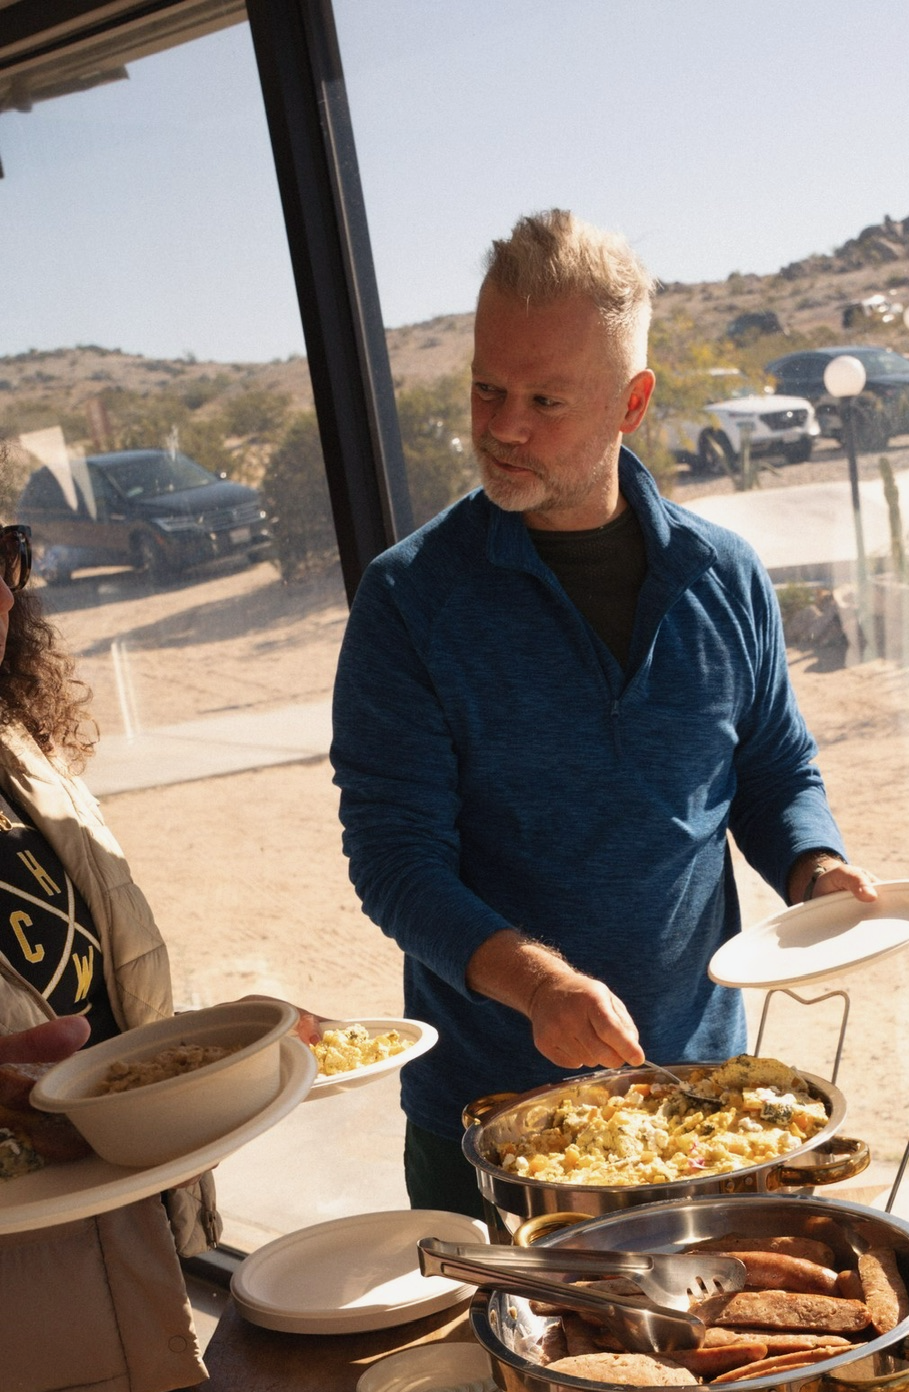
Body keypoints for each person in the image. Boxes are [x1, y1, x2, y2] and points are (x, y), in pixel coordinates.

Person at [331, 209, 876, 1219]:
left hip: (702, 1102)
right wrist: (541, 989)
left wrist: (816, 866)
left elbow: (770, 771)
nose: (503, 426)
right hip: (490, 1129)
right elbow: (396, 862)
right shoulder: (409, 601)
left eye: (545, 399)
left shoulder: (725, 576)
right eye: (487, 388)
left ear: (631, 404)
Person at [0, 506, 217, 1392]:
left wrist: (222, 1053)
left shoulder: (21, 746)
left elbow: (100, 995)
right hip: (16, 1338)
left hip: (121, 1264)